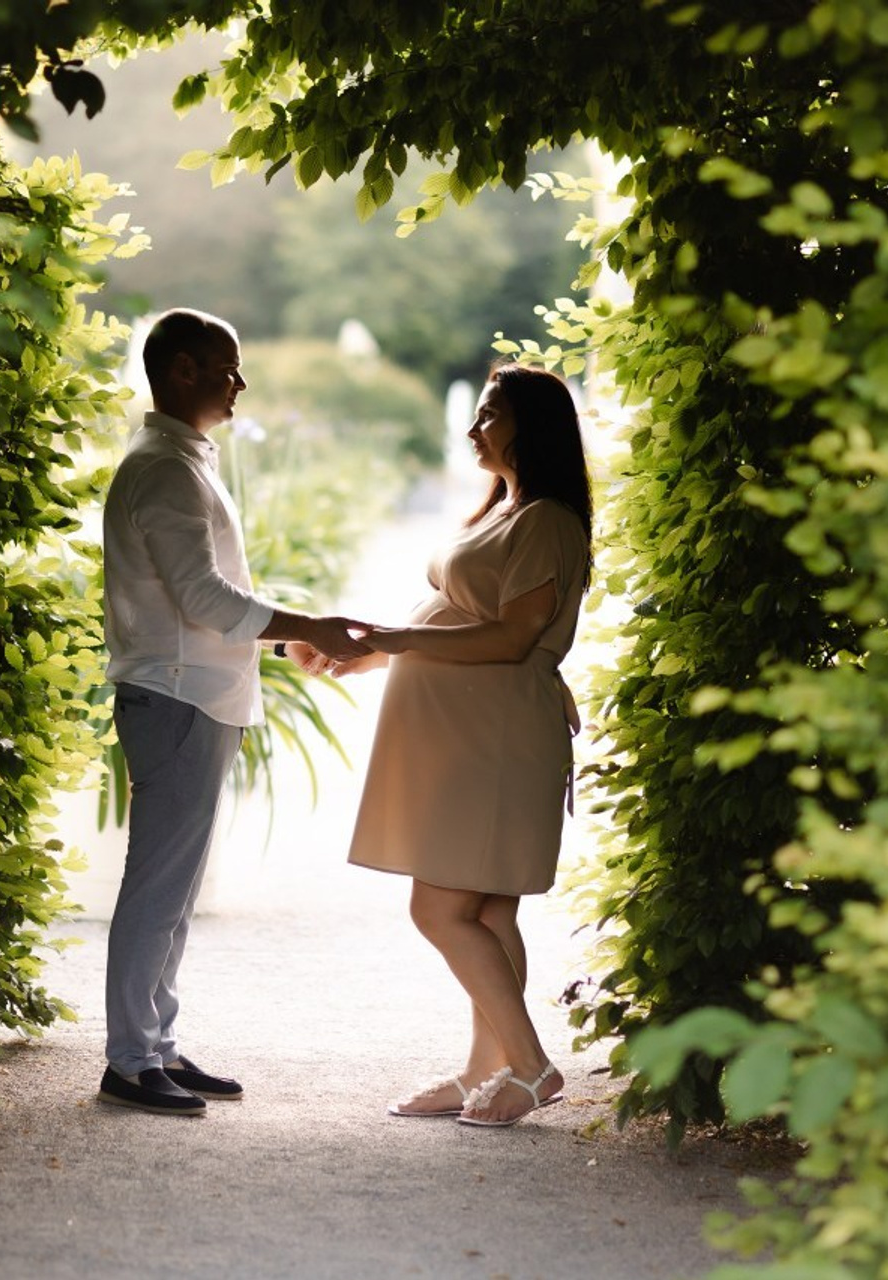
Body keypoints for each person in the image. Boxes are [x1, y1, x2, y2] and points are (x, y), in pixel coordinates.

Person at [98, 307, 369, 1117]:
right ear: (182, 369)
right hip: (178, 697)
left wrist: (287, 643)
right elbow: (204, 598)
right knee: (158, 885)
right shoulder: (166, 468)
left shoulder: (178, 460)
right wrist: (307, 627)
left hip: (193, 694)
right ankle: (129, 1059)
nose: (239, 382)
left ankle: (155, 1047)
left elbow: (199, 598)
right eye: (227, 367)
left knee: (173, 889)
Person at [335, 363, 593, 1127]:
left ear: (530, 427)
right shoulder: (506, 511)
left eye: (489, 415)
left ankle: (532, 1065)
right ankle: (489, 1070)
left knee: (441, 910)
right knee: (487, 914)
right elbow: (459, 621)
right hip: (477, 734)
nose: (473, 428)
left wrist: (394, 637)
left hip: (500, 737)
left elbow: (514, 636)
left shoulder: (546, 519)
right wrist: (368, 652)